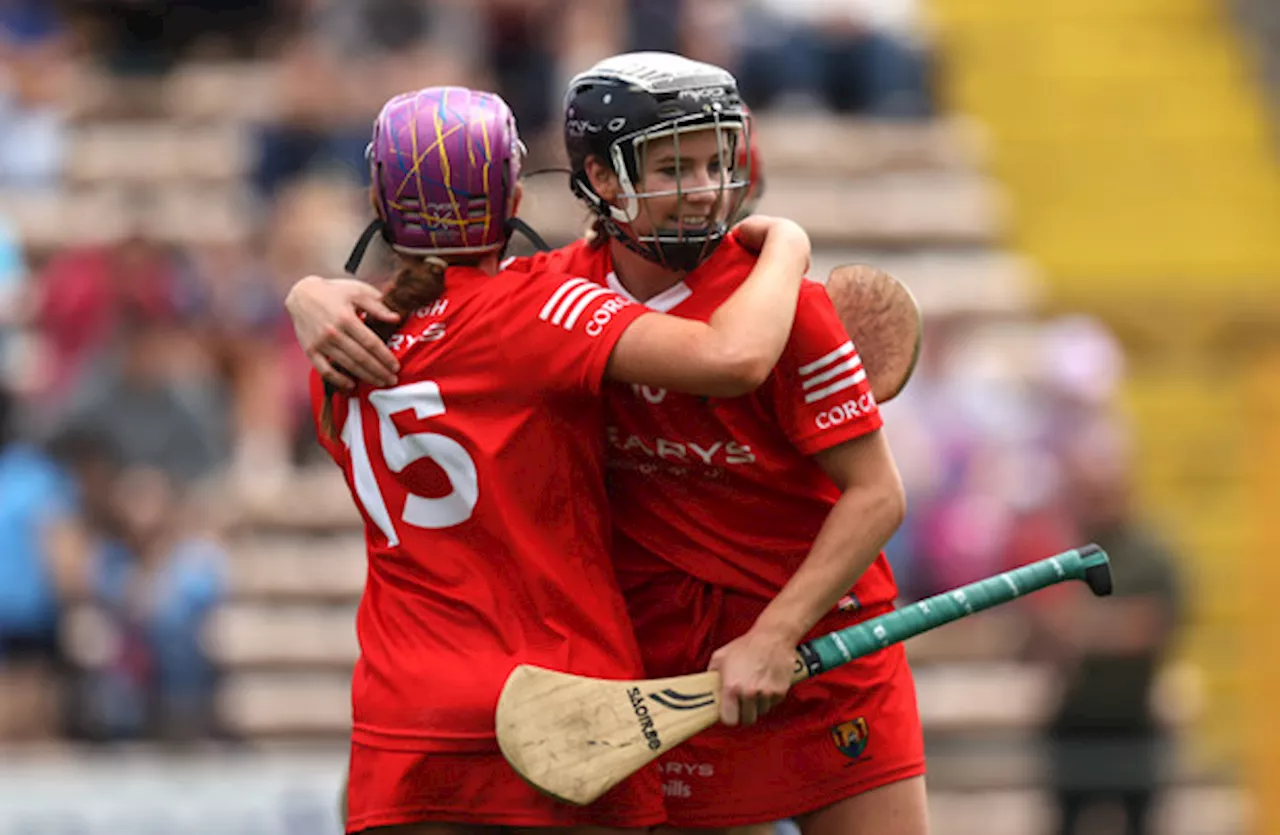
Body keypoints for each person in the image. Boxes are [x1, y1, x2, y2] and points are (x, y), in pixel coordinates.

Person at [289, 55, 925, 835]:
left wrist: (776, 632)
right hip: (669, 675)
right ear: (601, 177)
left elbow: (878, 493)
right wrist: (308, 294)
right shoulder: (555, 293)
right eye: (671, 166)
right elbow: (723, 359)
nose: (702, 187)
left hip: (820, 651)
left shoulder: (780, 303)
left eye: (714, 161)